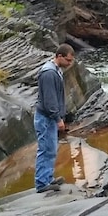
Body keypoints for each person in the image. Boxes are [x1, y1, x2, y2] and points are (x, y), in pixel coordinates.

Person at [34, 44, 75, 193]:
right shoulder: (49, 73)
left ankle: (47, 178)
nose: (70, 63)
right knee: (45, 149)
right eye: (68, 60)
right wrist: (58, 119)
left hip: (48, 117)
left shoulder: (56, 70)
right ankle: (41, 183)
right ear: (59, 56)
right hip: (45, 118)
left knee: (51, 149)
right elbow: (50, 101)